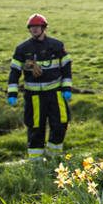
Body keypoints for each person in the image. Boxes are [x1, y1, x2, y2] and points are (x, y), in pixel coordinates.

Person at [6, 13, 72, 161]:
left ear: (44, 28)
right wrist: (12, 94)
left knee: (61, 124)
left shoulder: (57, 46)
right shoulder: (22, 49)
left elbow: (66, 67)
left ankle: (53, 157)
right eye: (32, 27)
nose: (34, 29)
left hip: (56, 94)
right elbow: (14, 72)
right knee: (36, 128)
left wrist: (67, 88)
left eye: (37, 27)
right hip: (34, 96)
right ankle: (35, 162)